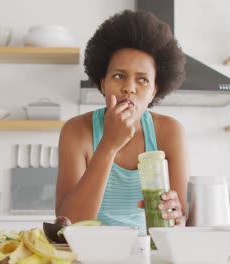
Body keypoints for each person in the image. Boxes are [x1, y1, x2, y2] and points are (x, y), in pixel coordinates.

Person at [55, 9, 188, 231]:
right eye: (119, 76)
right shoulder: (76, 131)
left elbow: (180, 220)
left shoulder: (170, 132)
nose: (129, 88)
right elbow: (68, 224)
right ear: (103, 82)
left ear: (154, 91)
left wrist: (177, 215)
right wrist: (109, 144)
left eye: (143, 80)